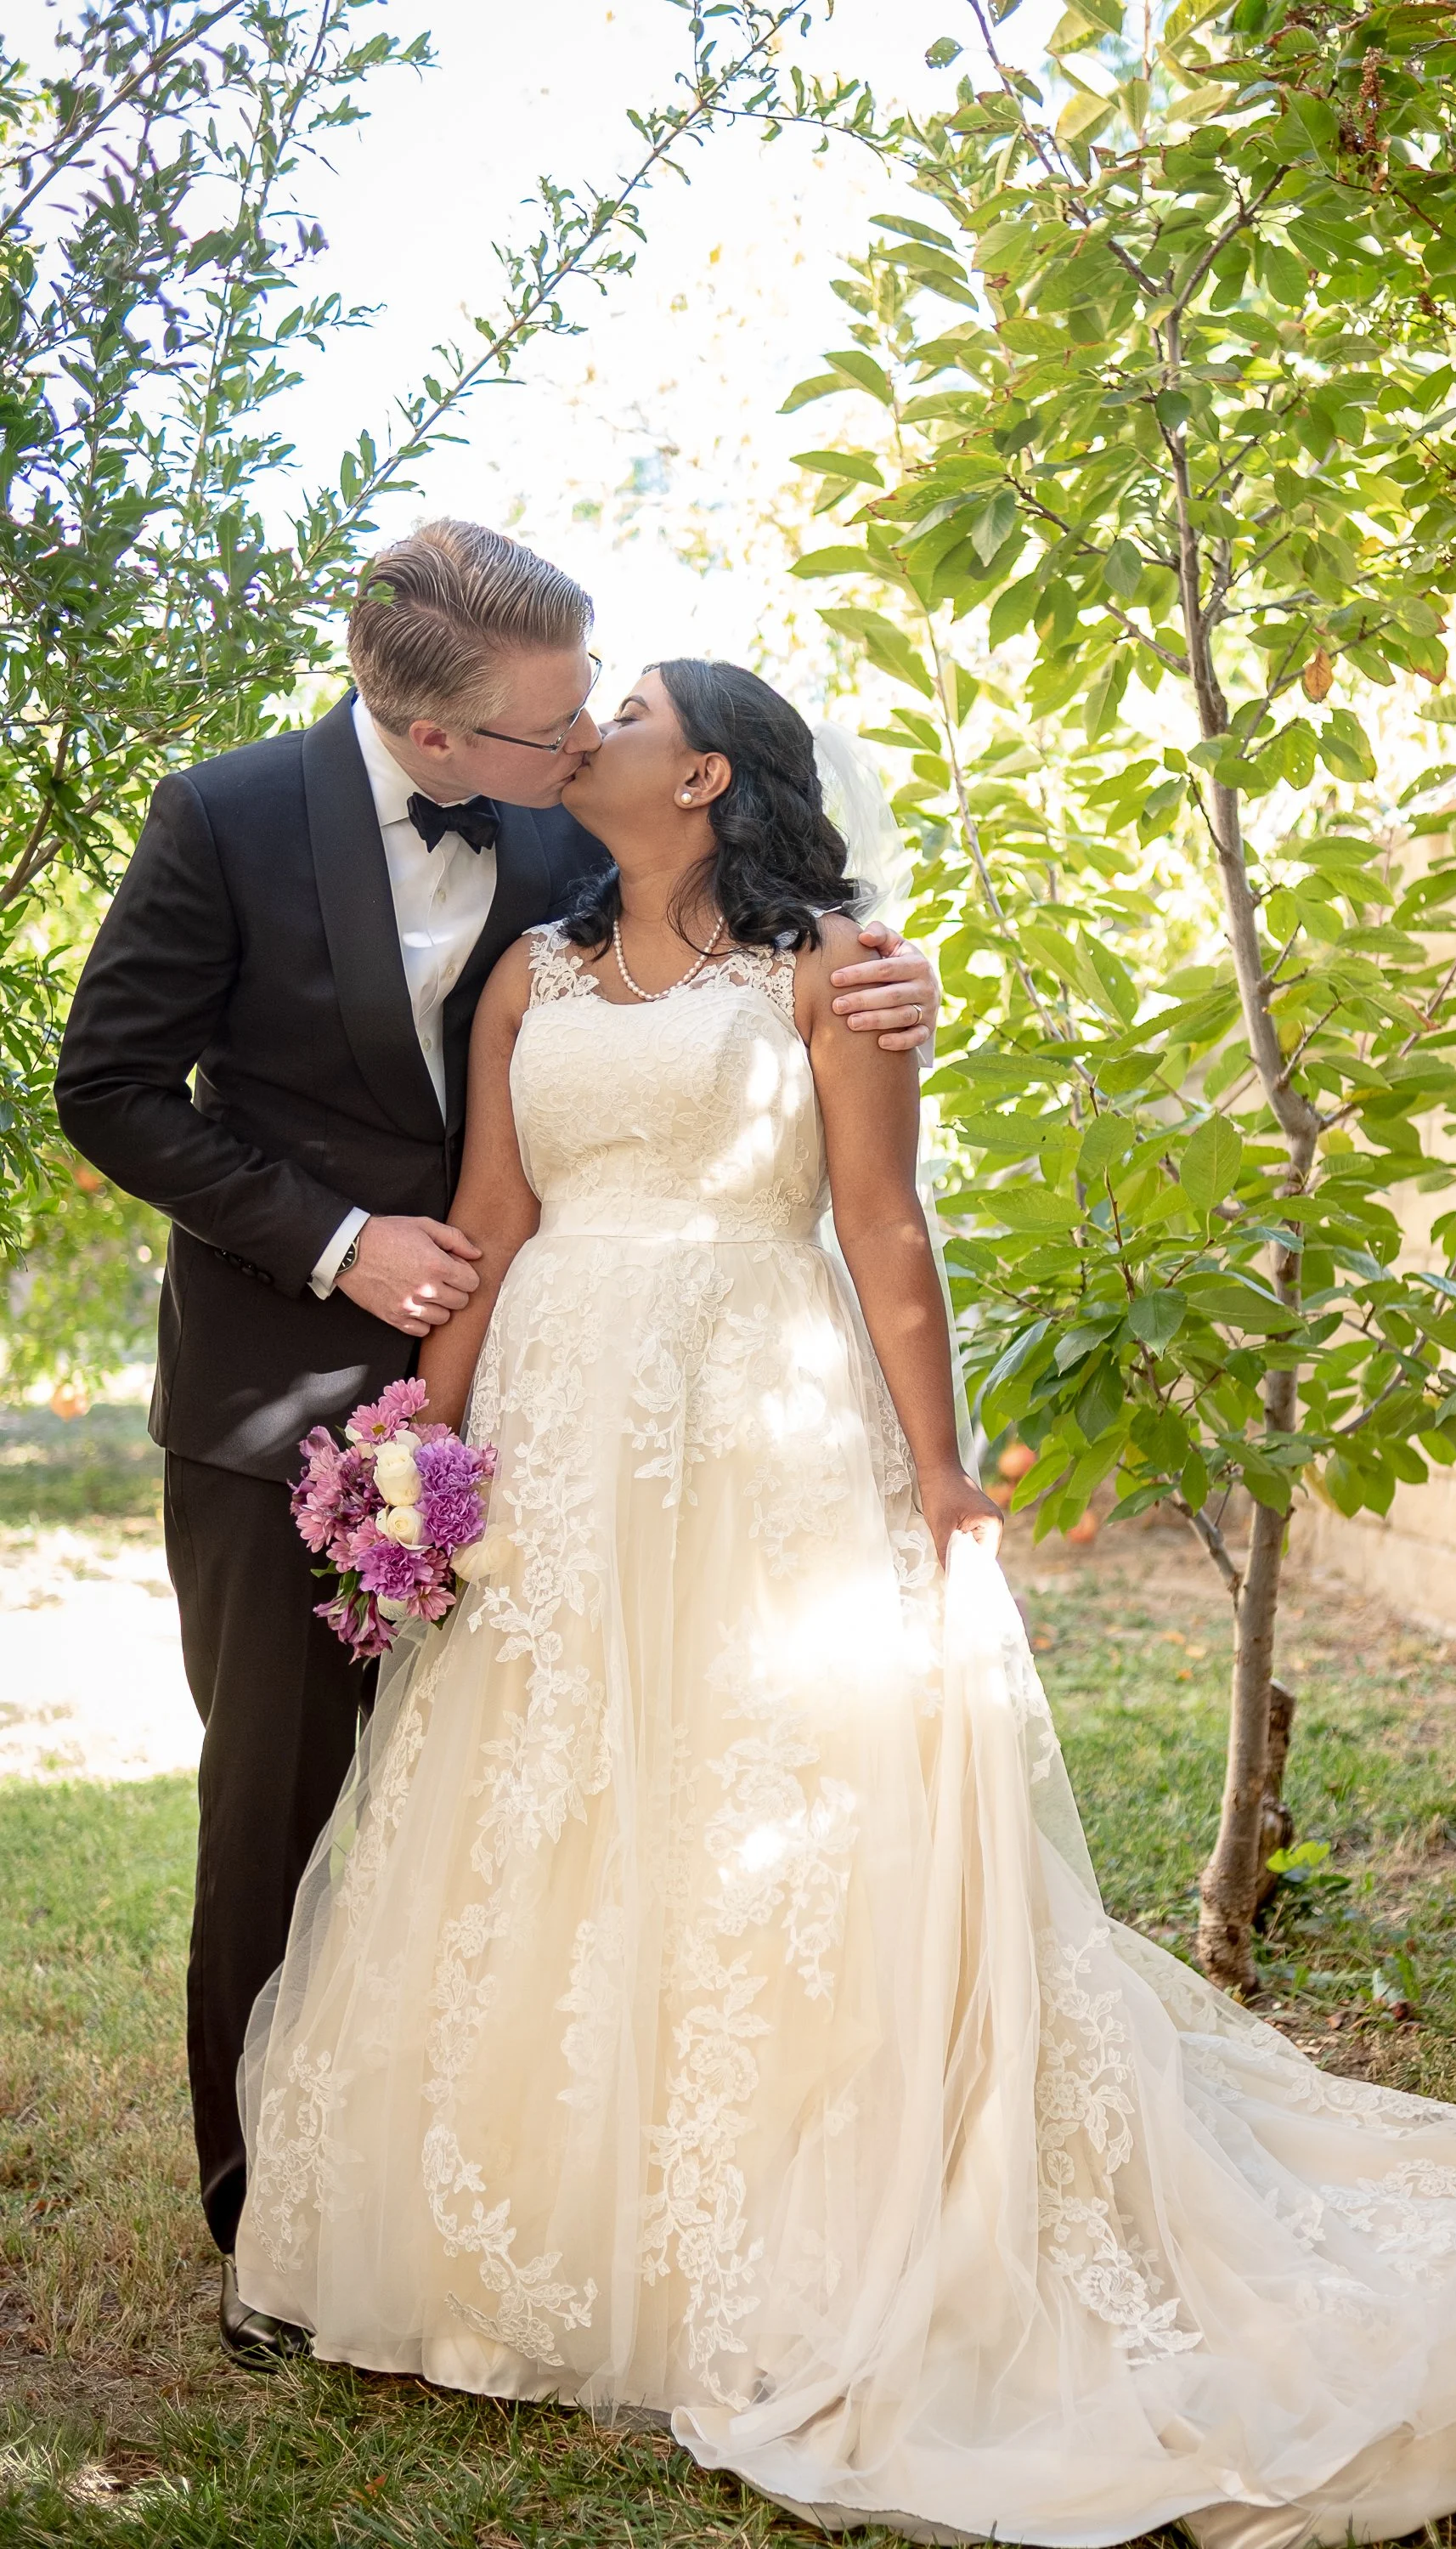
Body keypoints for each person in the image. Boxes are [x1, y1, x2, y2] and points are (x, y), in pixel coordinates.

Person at [235, 658, 1456, 2548]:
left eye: (625, 706)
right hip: (561, 1427)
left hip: (758, 1419)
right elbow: (497, 1221)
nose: (580, 723)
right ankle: (527, 2236)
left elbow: (880, 1225)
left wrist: (938, 1473)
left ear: (701, 776)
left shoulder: (836, 972)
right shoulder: (532, 967)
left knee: (769, 1776)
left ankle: (785, 2221)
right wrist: (414, 1457)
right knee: (557, 1784)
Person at [51, 532, 940, 2364]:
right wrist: (334, 1241)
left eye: (596, 709)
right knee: (280, 1805)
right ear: (430, 731)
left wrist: (885, 991)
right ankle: (274, 2226)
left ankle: (579, 2183)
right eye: (554, 722)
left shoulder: (565, 822)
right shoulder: (220, 816)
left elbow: (742, 949)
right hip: (278, 1390)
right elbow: (111, 1086)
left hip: (555, 1395)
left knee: (553, 1792)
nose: (580, 738)